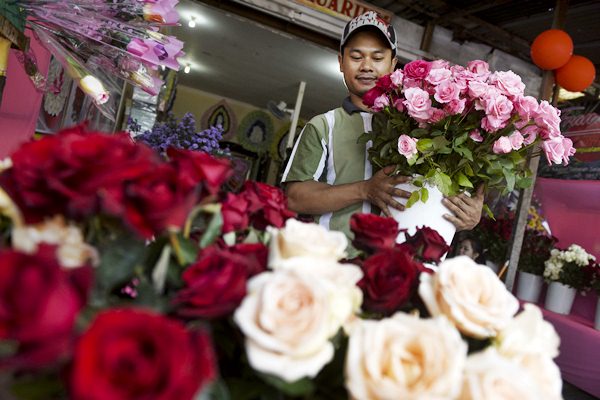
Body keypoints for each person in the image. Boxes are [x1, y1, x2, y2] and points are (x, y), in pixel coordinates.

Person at [281, 11, 483, 244]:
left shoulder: (427, 125)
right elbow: (295, 198)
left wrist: (470, 213)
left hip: (400, 270)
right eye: (356, 57)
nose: (367, 66)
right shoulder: (324, 125)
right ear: (340, 62)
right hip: (336, 265)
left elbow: (450, 193)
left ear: (393, 64)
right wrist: (365, 190)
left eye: (377, 58)